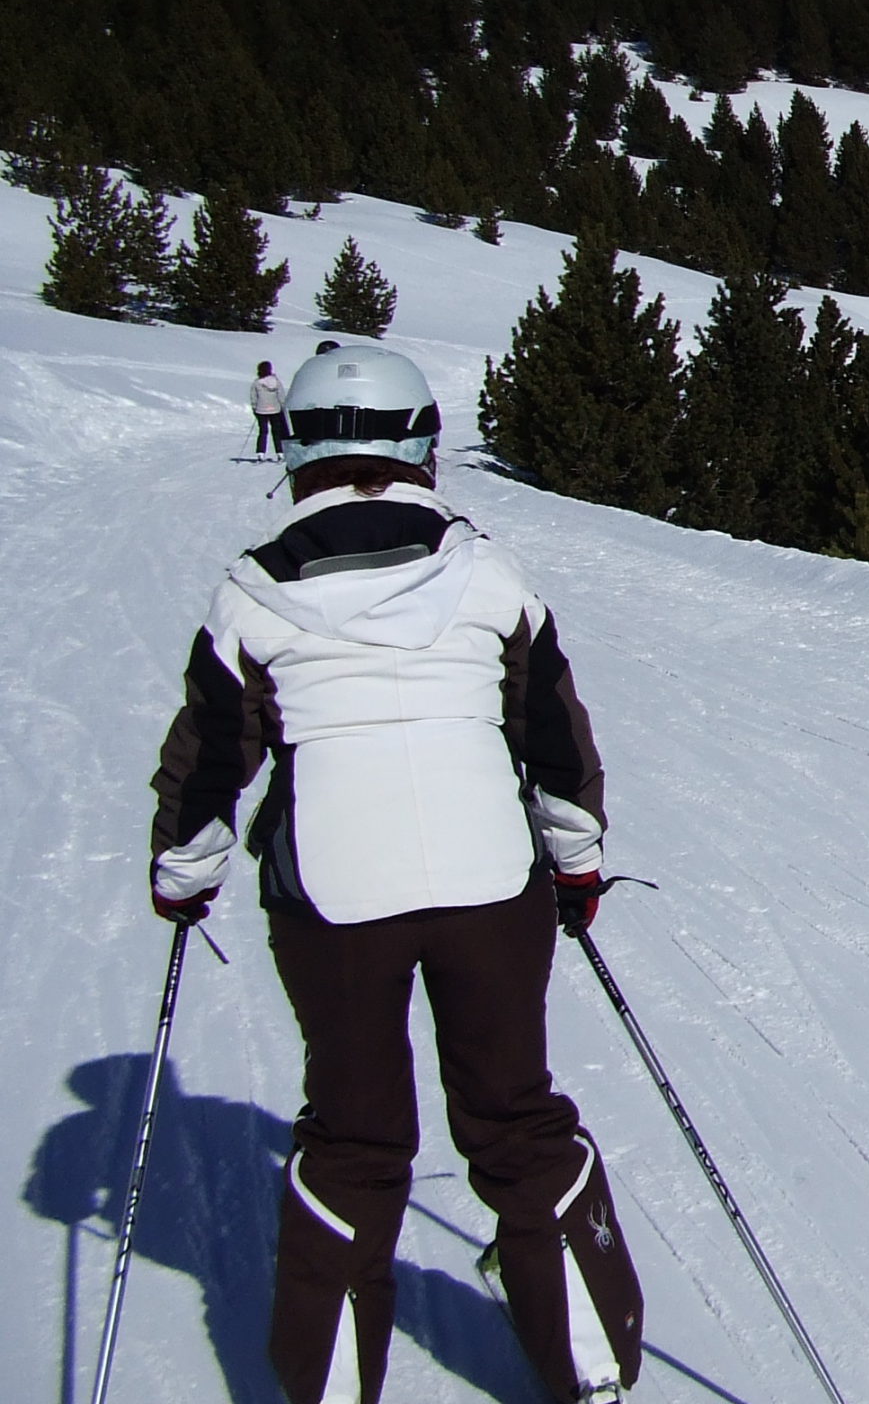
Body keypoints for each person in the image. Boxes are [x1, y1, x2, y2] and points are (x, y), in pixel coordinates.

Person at [148, 343, 645, 1403]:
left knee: (357, 1136)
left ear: (294, 445)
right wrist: (578, 863)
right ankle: (590, 1363)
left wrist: (183, 876)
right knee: (514, 1116)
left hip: (334, 899)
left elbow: (208, 764)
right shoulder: (487, 572)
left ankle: (329, 1384)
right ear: (421, 443)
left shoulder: (249, 595)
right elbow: (553, 737)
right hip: (489, 886)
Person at [251, 360, 286, 458]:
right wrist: (282, 406)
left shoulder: (257, 383)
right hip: (275, 409)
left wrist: (254, 407)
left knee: (263, 431)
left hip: (261, 410)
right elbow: (281, 395)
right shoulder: (276, 381)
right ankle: (280, 453)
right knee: (276, 432)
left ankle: (260, 453)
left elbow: (253, 397)